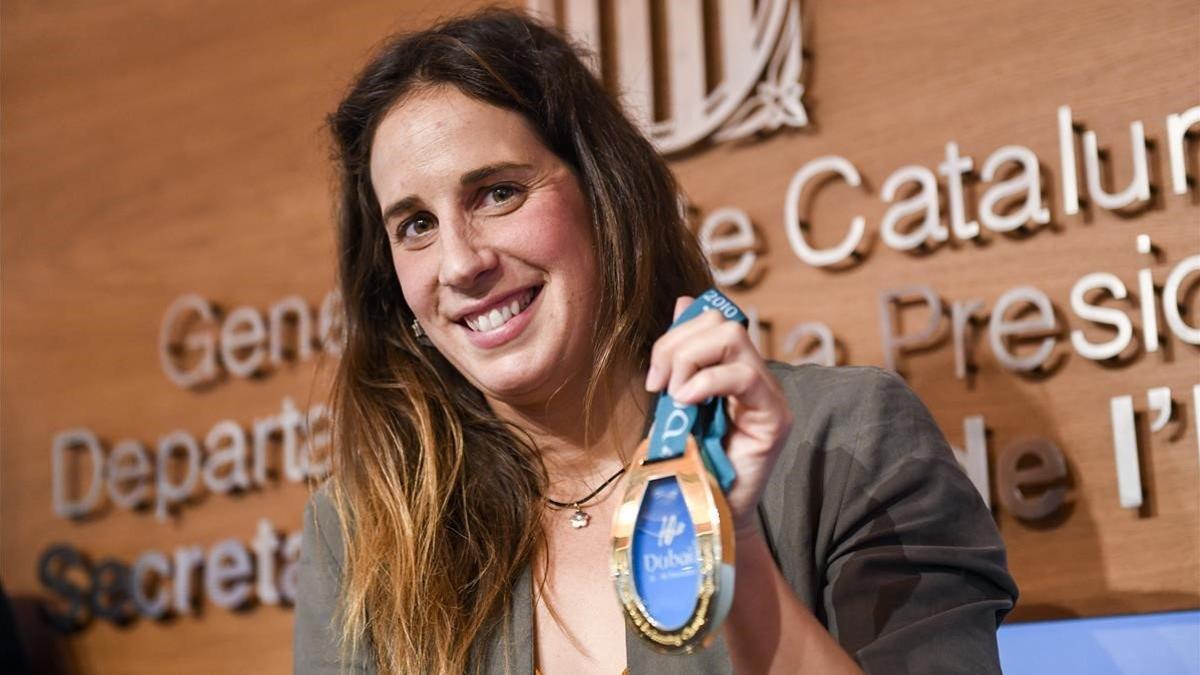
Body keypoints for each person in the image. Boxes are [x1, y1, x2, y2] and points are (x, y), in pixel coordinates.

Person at [294, 8, 1018, 674]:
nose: (461, 262)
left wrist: (733, 537)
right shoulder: (362, 532)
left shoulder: (850, 441)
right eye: (415, 225)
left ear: (604, 198)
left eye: (498, 192)